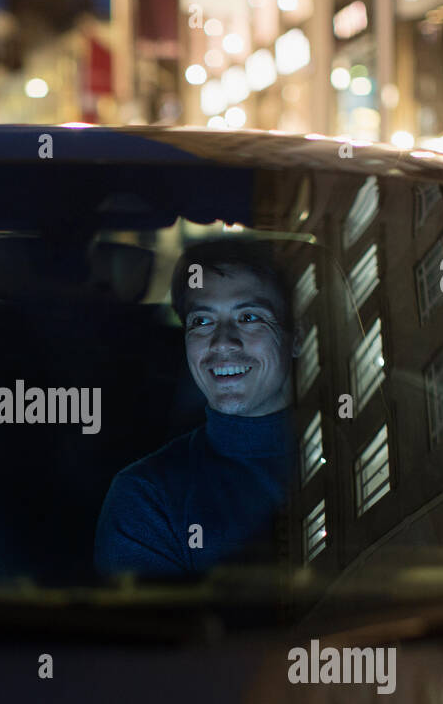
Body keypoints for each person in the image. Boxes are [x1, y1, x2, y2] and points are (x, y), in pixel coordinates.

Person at [94, 238, 298, 576]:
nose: (222, 342)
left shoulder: (358, 449)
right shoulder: (149, 496)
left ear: (299, 337)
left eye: (248, 317)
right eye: (202, 321)